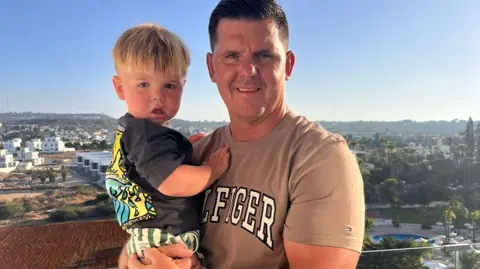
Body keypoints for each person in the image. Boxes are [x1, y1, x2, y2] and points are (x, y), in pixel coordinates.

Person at [121, 0, 365, 268]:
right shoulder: (200, 153)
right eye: (232, 56)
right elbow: (141, 238)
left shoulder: (319, 158)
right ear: (212, 67)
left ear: (289, 65)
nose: (247, 71)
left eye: (264, 55)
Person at [105, 23, 230, 263]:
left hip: (149, 238)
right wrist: (211, 170)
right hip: (167, 239)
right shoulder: (147, 134)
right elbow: (172, 182)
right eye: (143, 84)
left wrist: (183, 148)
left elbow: (151, 168)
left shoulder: (132, 129)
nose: (157, 95)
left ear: (183, 85)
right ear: (120, 88)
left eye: (169, 85)